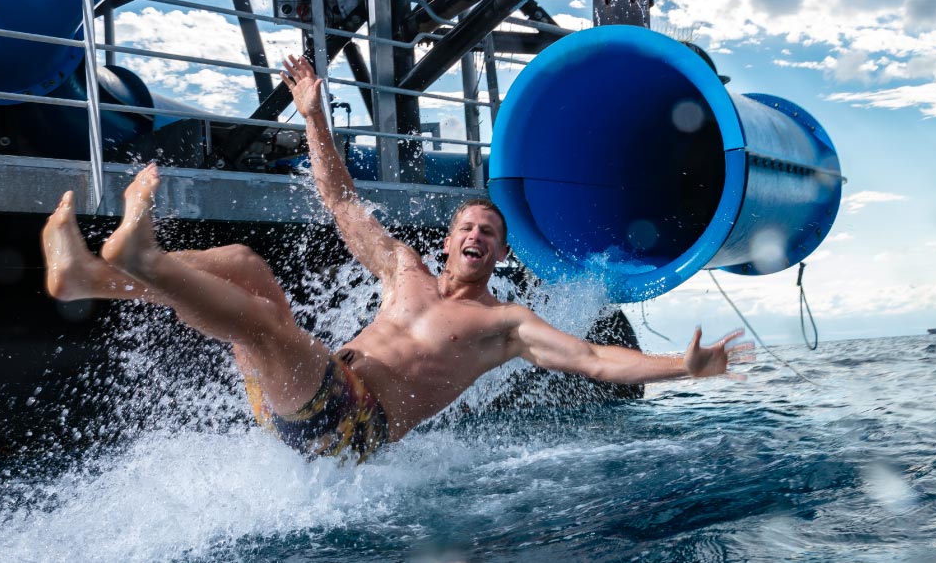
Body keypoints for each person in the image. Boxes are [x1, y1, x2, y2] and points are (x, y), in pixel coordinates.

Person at [42, 54, 753, 462]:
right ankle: (93, 276)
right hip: (297, 396)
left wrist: (680, 368)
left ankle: (146, 258)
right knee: (247, 267)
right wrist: (315, 115)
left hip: (350, 427)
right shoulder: (402, 270)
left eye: (488, 233)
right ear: (447, 239)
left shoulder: (504, 324)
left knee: (264, 326)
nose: (475, 237)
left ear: (503, 251)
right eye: (466, 227)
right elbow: (341, 201)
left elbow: (595, 361)